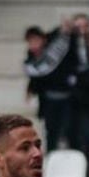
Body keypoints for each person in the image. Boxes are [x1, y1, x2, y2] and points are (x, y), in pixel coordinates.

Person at [24, 24, 77, 153]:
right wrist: (30, 90)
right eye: (30, 42)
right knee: (51, 132)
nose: (34, 45)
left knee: (69, 131)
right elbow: (35, 79)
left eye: (36, 40)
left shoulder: (57, 53)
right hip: (49, 101)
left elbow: (60, 36)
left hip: (67, 99)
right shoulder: (33, 60)